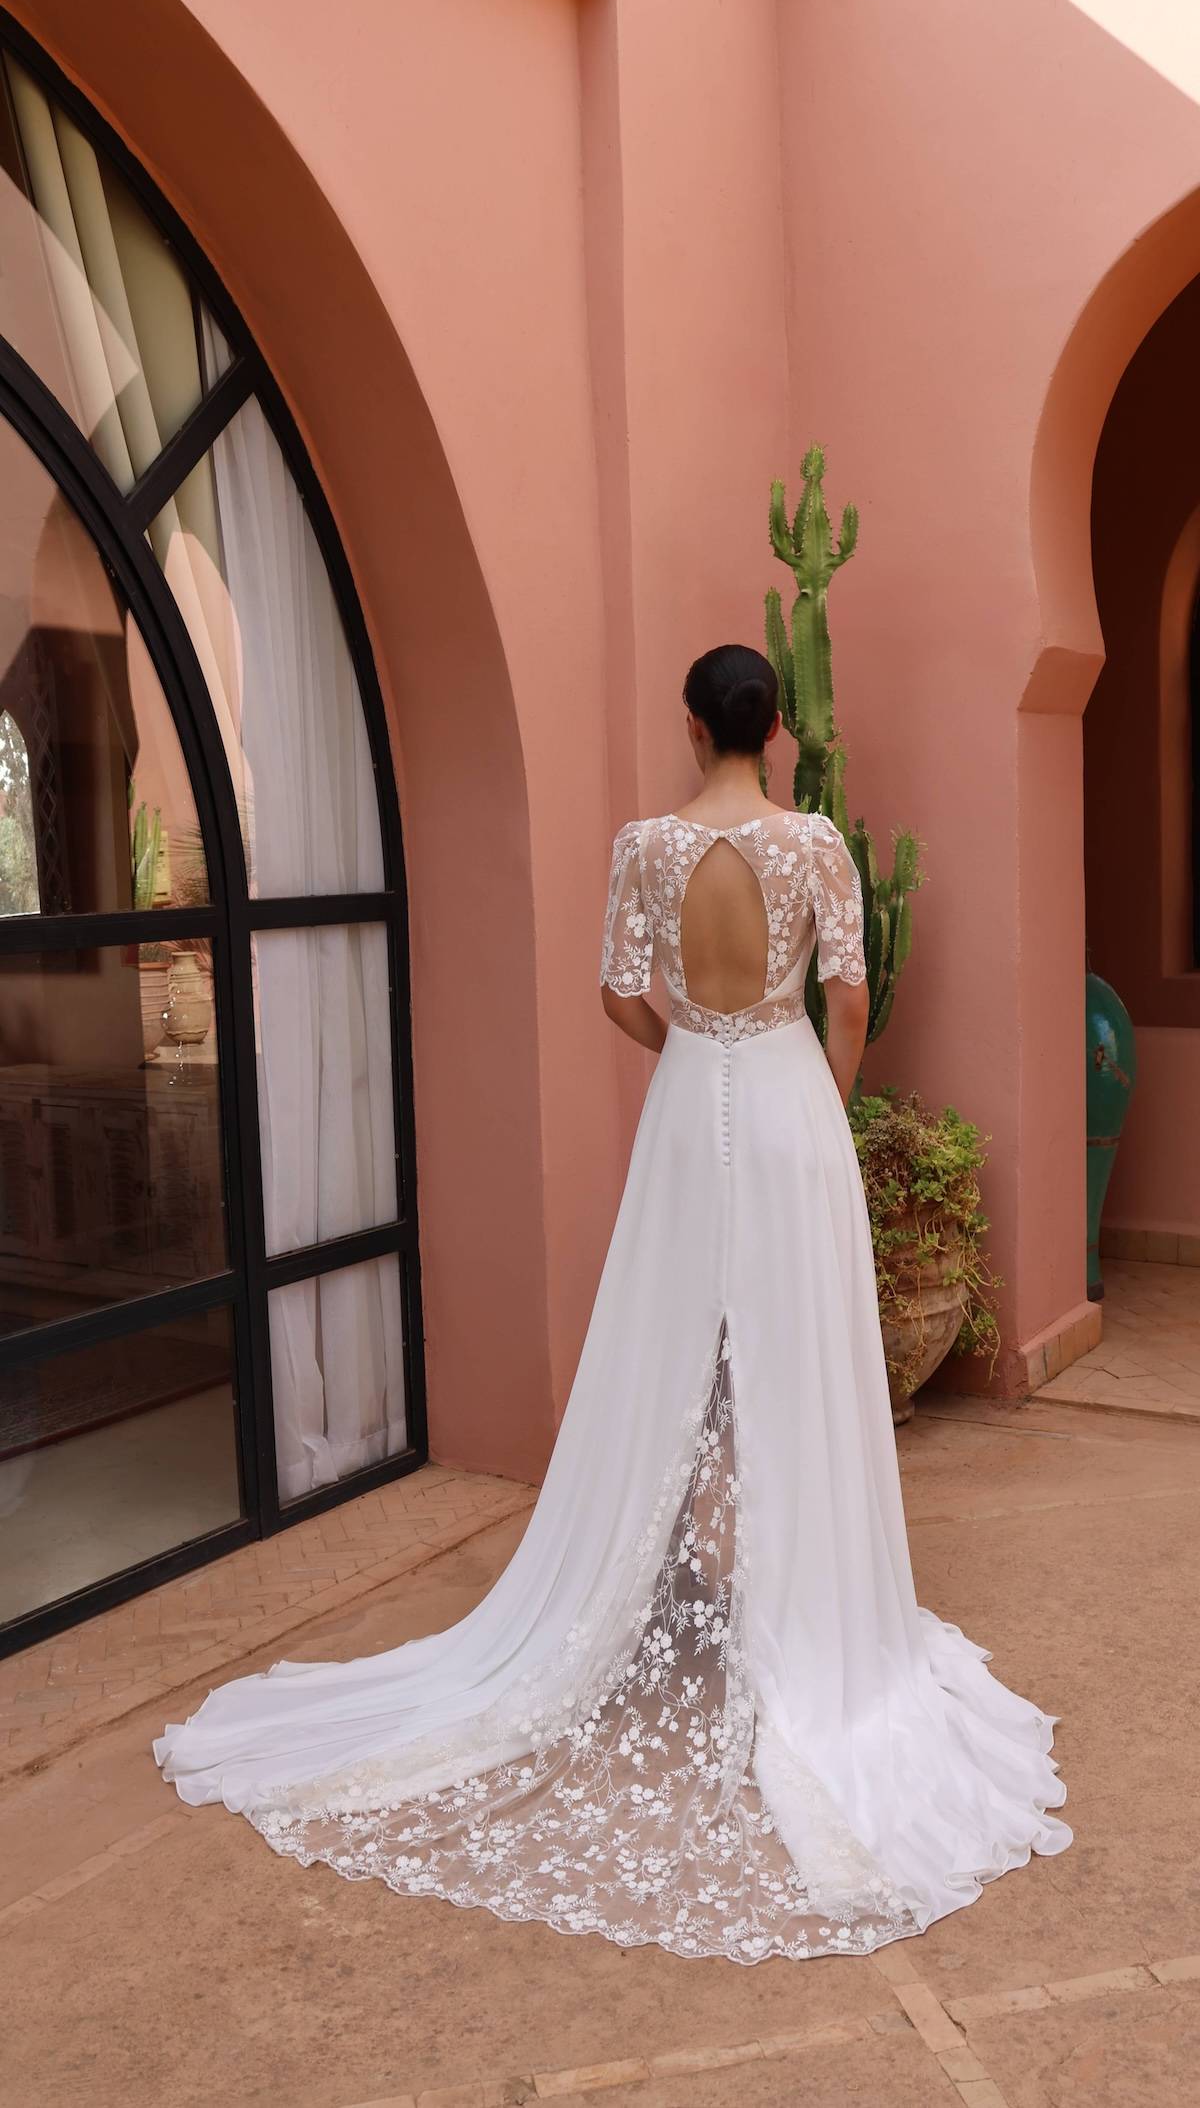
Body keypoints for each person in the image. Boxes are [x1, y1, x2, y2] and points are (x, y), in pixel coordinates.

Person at [154, 643, 1070, 1963]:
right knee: (801, 1357)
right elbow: (853, 997)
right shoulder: (813, 845)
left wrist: (694, 1045)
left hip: (691, 1100)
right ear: (777, 729)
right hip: (791, 1104)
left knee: (670, 1351)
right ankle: (811, 1611)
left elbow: (615, 996)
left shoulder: (643, 845)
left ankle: (677, 1585)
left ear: (692, 721)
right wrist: (817, 1083)